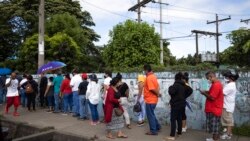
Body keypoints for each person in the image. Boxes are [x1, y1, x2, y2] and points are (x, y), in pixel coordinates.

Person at [166, 72, 193, 140]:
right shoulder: (184, 85)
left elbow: (171, 92)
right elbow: (190, 90)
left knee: (173, 119)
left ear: (175, 78)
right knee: (179, 118)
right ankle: (179, 132)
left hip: (175, 105)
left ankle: (172, 136)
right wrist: (184, 97)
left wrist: (170, 87)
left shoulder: (176, 85)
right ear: (181, 78)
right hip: (182, 104)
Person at [199, 71, 223, 141]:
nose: (208, 80)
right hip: (214, 108)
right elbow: (212, 93)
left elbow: (212, 97)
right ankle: (215, 138)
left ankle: (215, 139)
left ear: (211, 77)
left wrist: (204, 93)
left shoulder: (216, 85)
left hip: (214, 109)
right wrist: (206, 91)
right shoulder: (215, 84)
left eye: (208, 79)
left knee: (215, 127)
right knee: (216, 126)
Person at [220, 71, 239, 140]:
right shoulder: (230, 84)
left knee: (228, 122)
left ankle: (228, 135)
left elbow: (222, 93)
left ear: (232, 78)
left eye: (228, 76)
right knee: (227, 121)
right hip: (227, 105)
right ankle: (229, 133)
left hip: (227, 106)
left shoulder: (230, 86)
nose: (226, 78)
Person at [143, 64, 161, 135]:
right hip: (153, 100)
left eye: (144, 70)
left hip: (150, 100)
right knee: (152, 114)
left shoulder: (149, 77)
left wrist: (158, 94)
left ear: (146, 70)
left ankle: (153, 130)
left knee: (150, 115)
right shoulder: (153, 76)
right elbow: (157, 86)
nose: (144, 72)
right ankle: (158, 126)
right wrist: (158, 93)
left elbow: (152, 88)